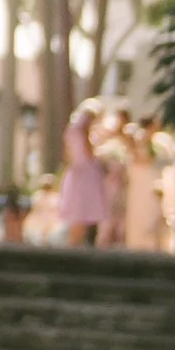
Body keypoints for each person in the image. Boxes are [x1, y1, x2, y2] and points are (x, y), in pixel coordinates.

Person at [57, 101, 108, 249]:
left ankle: (76, 243)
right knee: (82, 210)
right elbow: (88, 153)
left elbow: (66, 154)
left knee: (79, 212)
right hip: (86, 175)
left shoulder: (71, 132)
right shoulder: (83, 133)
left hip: (77, 172)